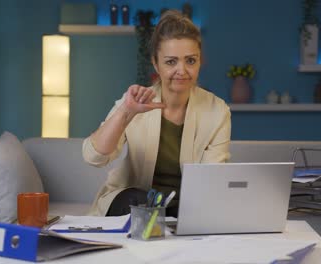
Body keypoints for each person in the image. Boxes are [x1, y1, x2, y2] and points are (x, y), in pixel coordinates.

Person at [82, 10, 231, 217]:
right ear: (155, 63)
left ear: (200, 62)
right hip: (134, 204)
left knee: (198, 210)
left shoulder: (217, 110)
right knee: (139, 202)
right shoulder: (135, 101)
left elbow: (210, 179)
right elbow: (94, 157)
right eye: (171, 61)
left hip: (185, 208)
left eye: (190, 60)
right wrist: (126, 112)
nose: (182, 70)